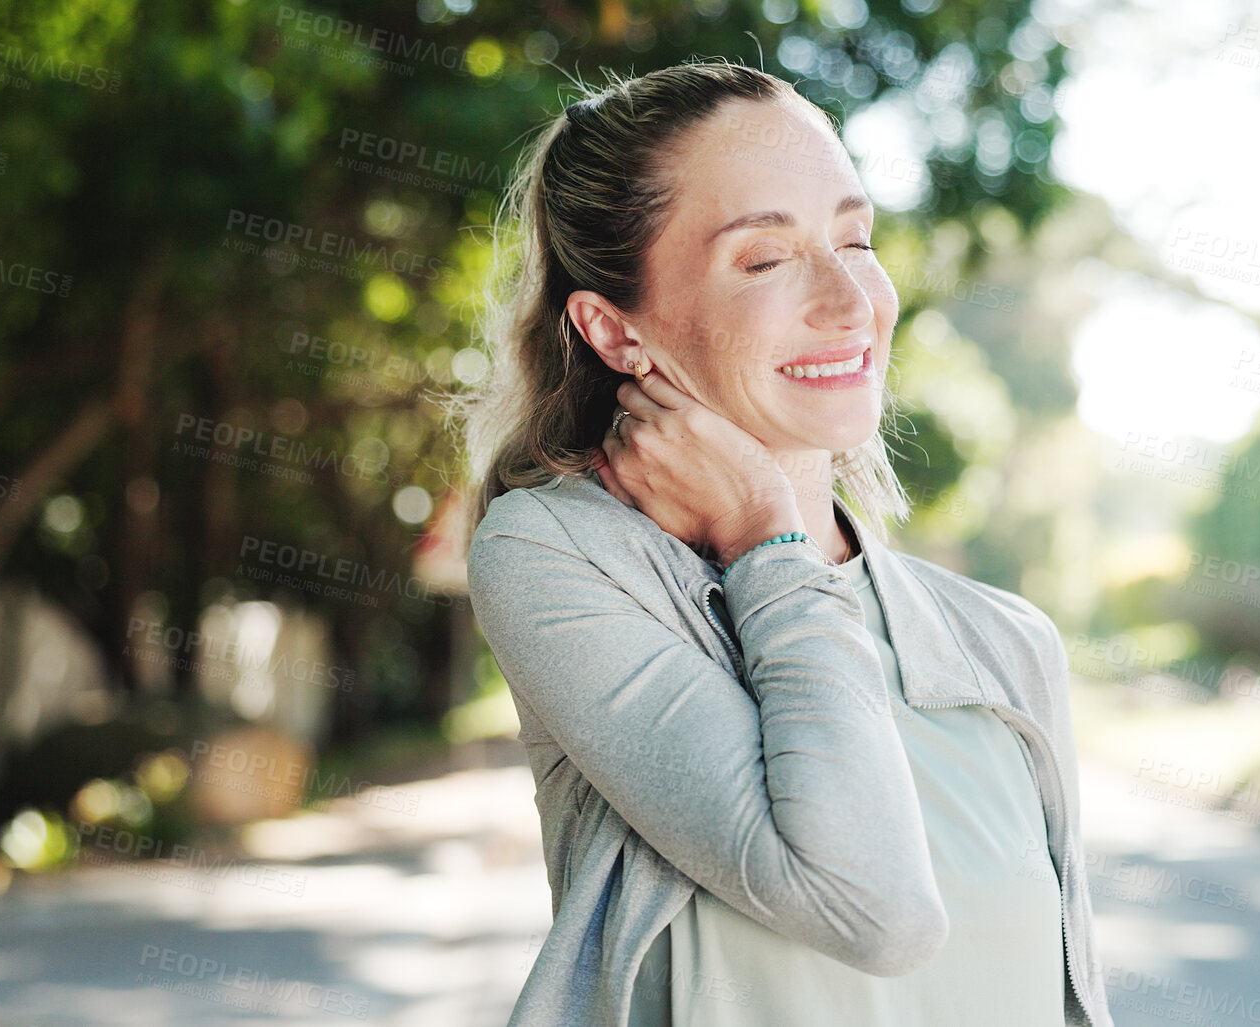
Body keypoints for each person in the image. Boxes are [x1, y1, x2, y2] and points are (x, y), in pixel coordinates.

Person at [456, 59, 1114, 1027]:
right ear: (612, 328)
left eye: (855, 239)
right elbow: (872, 910)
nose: (852, 302)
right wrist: (770, 537)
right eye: (765, 259)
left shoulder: (1006, 640)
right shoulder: (558, 554)